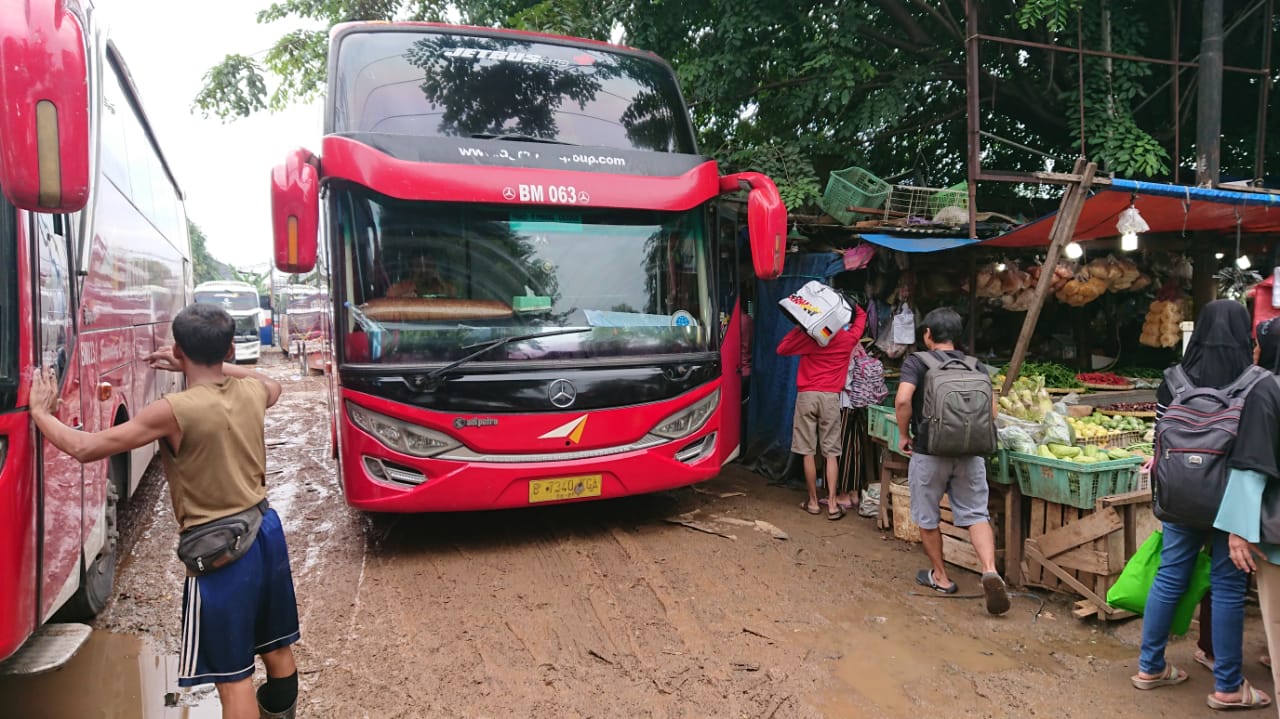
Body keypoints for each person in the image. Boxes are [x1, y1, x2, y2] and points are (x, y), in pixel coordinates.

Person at [28, 303, 301, 719]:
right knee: (277, 652)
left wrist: (39, 413)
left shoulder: (173, 410)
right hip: (265, 533)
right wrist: (213, 365)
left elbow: (86, 448)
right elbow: (268, 379)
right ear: (230, 350)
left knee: (234, 678)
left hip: (221, 549)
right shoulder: (255, 392)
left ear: (178, 350)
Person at [1133, 300, 1271, 711]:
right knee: (1228, 587)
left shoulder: (1173, 380)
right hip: (1230, 501)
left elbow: (1159, 436)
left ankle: (1149, 667)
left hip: (1179, 496)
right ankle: (1228, 685)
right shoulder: (1257, 382)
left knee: (1170, 576)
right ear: (1245, 333)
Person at [894, 307, 1010, 615]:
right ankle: (988, 569)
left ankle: (941, 577)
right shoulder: (977, 366)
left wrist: (904, 434)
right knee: (975, 513)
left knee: (927, 516)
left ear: (928, 334)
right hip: (970, 453)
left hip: (930, 451)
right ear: (957, 337)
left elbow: (904, 399)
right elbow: (993, 412)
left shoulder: (917, 362)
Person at [777, 299, 867, 520]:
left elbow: (782, 348)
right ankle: (834, 504)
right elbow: (861, 320)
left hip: (807, 396)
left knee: (808, 451)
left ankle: (814, 502)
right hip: (830, 398)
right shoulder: (847, 339)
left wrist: (801, 325)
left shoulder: (811, 338)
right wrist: (853, 306)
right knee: (831, 453)